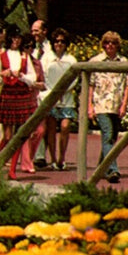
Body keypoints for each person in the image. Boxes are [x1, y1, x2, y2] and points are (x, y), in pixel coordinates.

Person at [87, 30, 128, 184]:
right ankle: (112, 169)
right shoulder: (96, 61)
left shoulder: (124, 62)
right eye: (107, 43)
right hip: (101, 104)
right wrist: (89, 106)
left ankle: (101, 167)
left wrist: (124, 104)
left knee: (112, 138)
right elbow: (91, 85)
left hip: (116, 104)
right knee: (107, 134)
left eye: (113, 43)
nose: (110, 46)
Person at [0, 25, 36, 179]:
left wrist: (22, 76)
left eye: (18, 38)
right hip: (8, 95)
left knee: (20, 135)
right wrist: (3, 74)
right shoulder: (2, 56)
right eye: (13, 37)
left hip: (22, 95)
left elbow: (32, 79)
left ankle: (12, 170)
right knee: (7, 136)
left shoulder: (25, 57)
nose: (16, 41)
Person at [45, 27, 78, 171]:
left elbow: (75, 78)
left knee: (65, 127)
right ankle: (52, 158)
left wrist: (64, 89)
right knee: (51, 129)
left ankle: (61, 158)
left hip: (67, 98)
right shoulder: (46, 58)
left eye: (62, 41)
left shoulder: (71, 60)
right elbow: (43, 75)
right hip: (51, 97)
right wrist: (52, 92)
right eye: (56, 41)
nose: (59, 44)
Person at [30, 19, 56, 168]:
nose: (34, 33)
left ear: (44, 31)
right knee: (36, 125)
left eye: (37, 30)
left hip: (46, 90)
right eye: (33, 30)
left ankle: (41, 155)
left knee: (45, 126)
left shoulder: (50, 50)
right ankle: (36, 155)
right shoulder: (31, 48)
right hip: (32, 89)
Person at [21, 32, 47, 171]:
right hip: (21, 100)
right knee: (25, 131)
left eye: (32, 46)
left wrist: (35, 84)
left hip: (35, 100)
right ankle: (26, 163)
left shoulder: (37, 63)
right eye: (27, 46)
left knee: (40, 130)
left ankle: (29, 157)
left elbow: (43, 84)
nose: (29, 49)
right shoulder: (19, 62)